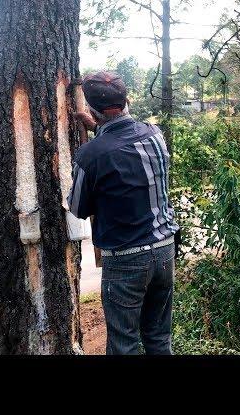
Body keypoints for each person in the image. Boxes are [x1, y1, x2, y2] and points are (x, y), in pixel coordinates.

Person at [67, 71, 179, 355]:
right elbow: (125, 146)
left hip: (126, 259)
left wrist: (95, 143)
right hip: (165, 251)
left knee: (123, 345)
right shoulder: (155, 135)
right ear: (127, 100)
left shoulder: (91, 155)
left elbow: (78, 208)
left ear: (91, 110)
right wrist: (99, 130)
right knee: (157, 338)